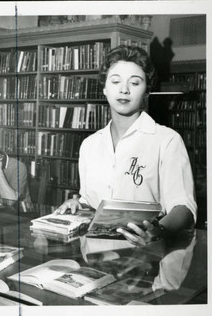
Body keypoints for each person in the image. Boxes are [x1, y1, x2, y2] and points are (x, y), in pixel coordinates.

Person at [57, 45, 197, 247]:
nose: (124, 89)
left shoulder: (166, 140)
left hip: (145, 255)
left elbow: (184, 208)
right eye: (115, 81)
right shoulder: (90, 144)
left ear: (147, 90)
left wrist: (159, 230)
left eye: (135, 82)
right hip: (96, 254)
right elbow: (91, 200)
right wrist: (78, 204)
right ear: (104, 88)